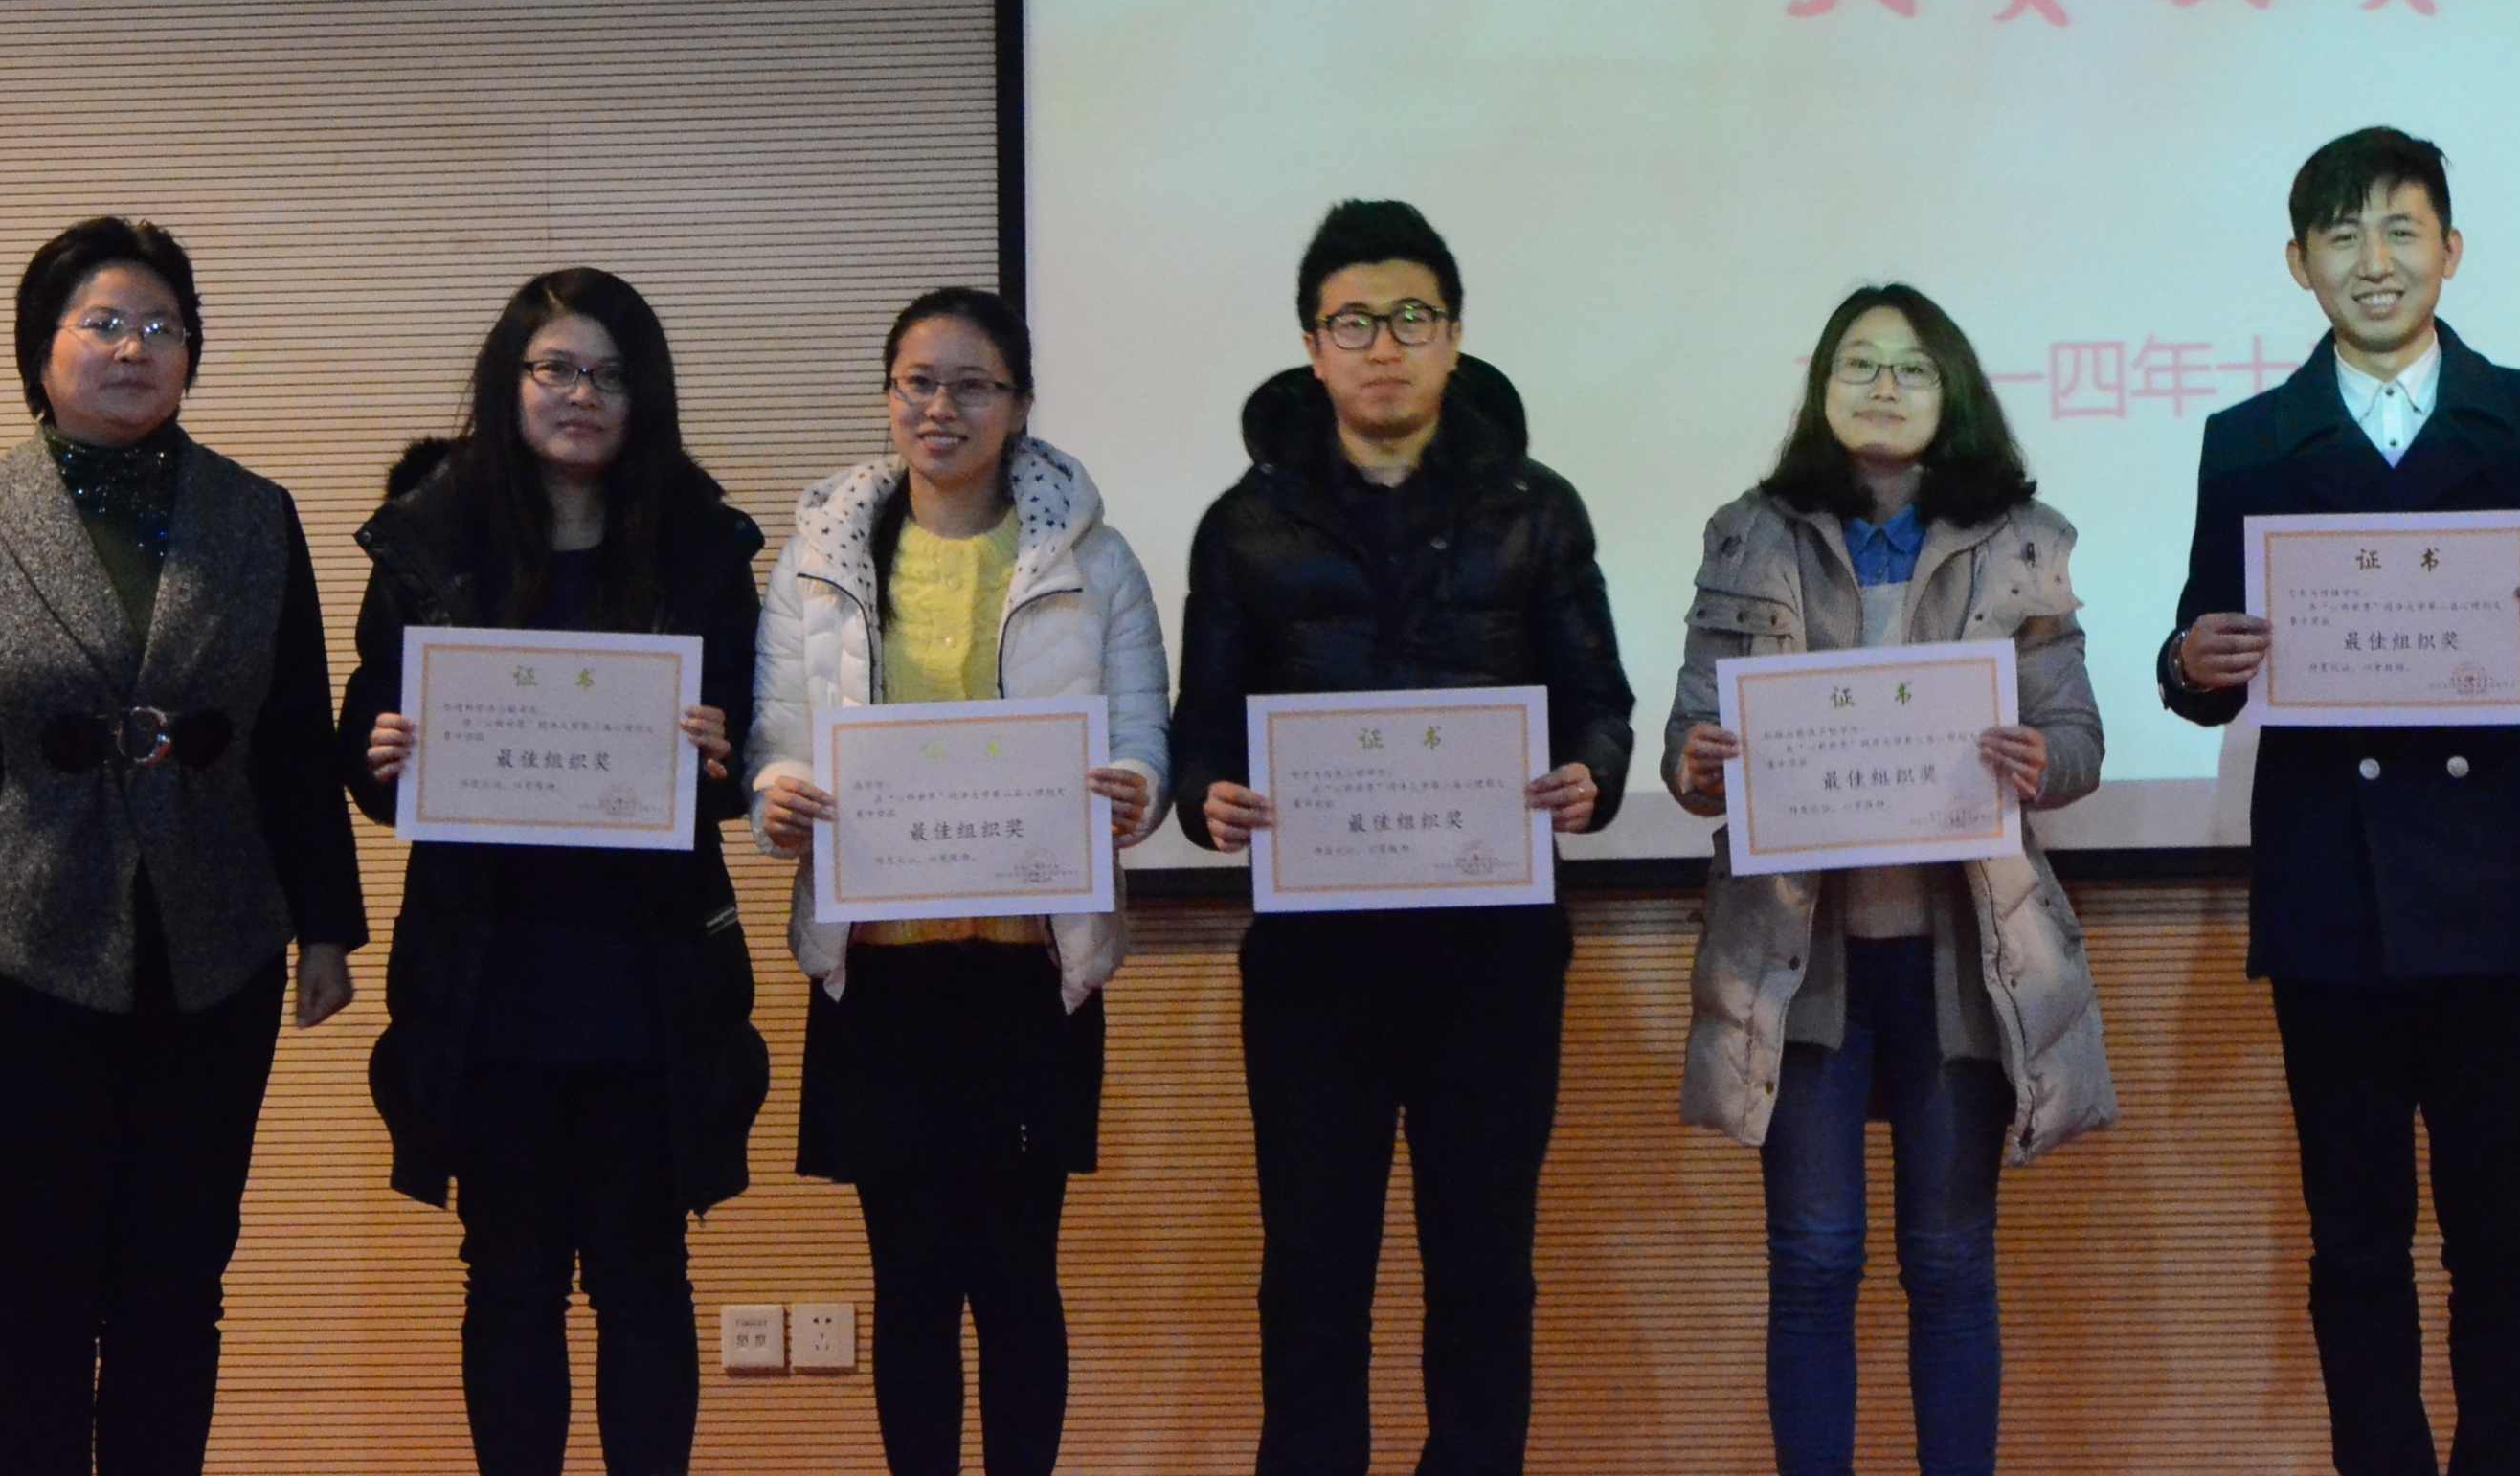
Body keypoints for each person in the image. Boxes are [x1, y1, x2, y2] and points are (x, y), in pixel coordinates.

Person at [2157, 128, 2520, 1476]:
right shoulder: (2249, 441)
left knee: (2501, 1232)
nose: (2372, 262)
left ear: (2450, 248)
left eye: (2399, 230)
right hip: (2333, 893)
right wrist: (2191, 663)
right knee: (2356, 1238)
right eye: (2342, 236)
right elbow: (2200, 656)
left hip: (2493, 886)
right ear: (2299, 264)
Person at [0, 215, 367, 1476]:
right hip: (23, 944)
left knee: (178, 1280)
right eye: (102, 324)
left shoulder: (256, 516)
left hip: (219, 945)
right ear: (40, 350)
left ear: (192, 354)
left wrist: (326, 927)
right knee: (36, 1280)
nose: (134, 349)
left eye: (161, 327)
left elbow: (295, 736)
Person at [1167, 199, 1633, 1476]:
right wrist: (1209, 798)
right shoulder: (1245, 523)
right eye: (1354, 322)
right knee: (1312, 1274)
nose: (1384, 345)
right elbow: (1200, 734)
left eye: (1412, 318)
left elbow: (1599, 702)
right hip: (1316, 966)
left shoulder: (1538, 509)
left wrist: (1592, 776)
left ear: (1455, 338)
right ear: (1312, 347)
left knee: (1484, 1271)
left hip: (1493, 957)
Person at [1664, 284, 2115, 1476]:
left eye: (1912, 368)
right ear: (1821, 388)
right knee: (1815, 1263)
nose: (1883, 386)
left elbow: (2077, 737)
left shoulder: (2022, 537)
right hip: (1799, 957)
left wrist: (2041, 757)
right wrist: (1697, 762)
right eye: (1857, 363)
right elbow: (1691, 742)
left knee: (1950, 1263)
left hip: (1964, 957)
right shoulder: (1748, 533)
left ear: (1951, 391)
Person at [343, 268, 770, 1476]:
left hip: (649, 974)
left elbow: (750, 752)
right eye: (558, 370)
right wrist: (381, 752)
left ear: (646, 397)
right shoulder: (429, 539)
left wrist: (724, 753)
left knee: (646, 1275)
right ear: (511, 382)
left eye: (612, 375)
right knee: (509, 1279)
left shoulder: (700, 545)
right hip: (490, 975)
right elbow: (366, 737)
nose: (583, 395)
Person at [747, 287, 1173, 1476]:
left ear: (1020, 403)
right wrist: (777, 793)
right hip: (881, 970)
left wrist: (1136, 788)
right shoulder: (821, 558)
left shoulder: (1094, 559)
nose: (941, 408)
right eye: (918, 382)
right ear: (889, 395)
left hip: (1029, 964)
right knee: (911, 1283)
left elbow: (1143, 737)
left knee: (1020, 1277)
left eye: (973, 385)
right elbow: (781, 735)